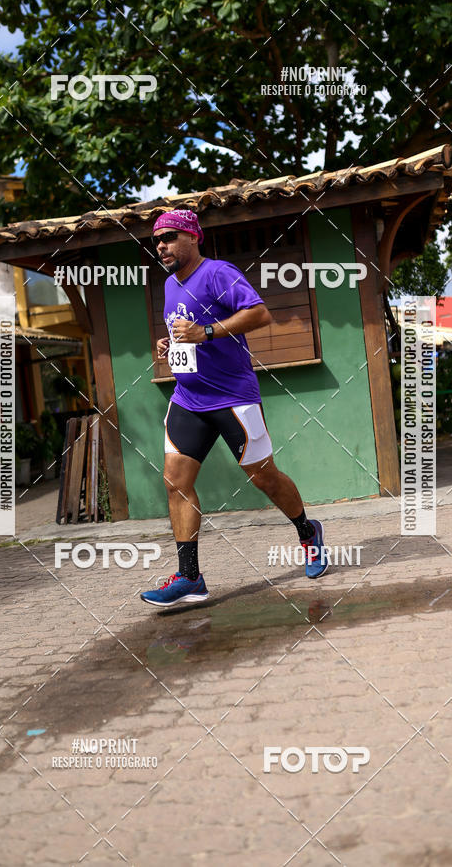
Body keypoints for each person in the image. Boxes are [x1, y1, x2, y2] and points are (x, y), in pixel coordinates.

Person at [140, 209, 328, 608]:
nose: (162, 246)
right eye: (157, 240)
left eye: (170, 237)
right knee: (175, 481)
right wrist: (169, 344)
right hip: (188, 399)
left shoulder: (218, 273)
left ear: (194, 237)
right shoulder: (171, 285)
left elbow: (260, 313)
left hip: (233, 398)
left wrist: (206, 331)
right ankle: (190, 577)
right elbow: (186, 330)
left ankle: (308, 531)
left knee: (265, 479)